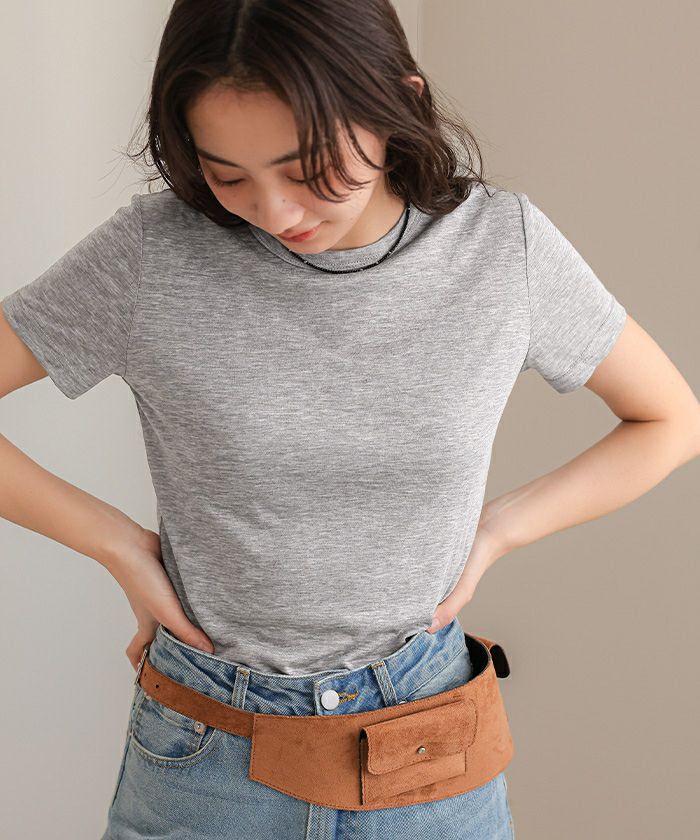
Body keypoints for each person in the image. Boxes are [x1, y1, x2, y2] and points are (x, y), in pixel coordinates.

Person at [1, 1, 698, 838]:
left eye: (307, 169)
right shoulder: (154, 254)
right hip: (208, 749)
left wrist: (497, 531)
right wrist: (116, 544)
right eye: (228, 175)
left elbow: (670, 420)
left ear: (398, 102)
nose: (275, 212)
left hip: (426, 742)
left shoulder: (500, 249)